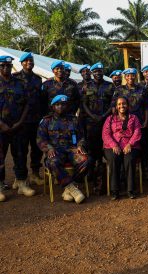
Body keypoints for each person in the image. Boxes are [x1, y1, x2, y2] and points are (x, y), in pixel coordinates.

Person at [37, 95, 89, 204]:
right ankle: (72, 188)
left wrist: (80, 145)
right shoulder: (46, 121)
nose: (61, 107)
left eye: (63, 105)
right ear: (53, 106)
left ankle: (68, 188)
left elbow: (81, 137)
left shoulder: (74, 120)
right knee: (53, 162)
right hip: (55, 151)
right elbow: (40, 139)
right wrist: (49, 148)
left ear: (67, 106)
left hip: (72, 150)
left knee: (86, 160)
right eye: (58, 104)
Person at [0, 55, 34, 201]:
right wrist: (1, 124)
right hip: (0, 128)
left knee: (20, 155)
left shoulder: (20, 83)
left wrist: (20, 122)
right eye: (2, 66)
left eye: (8, 65)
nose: (6, 68)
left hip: (18, 127)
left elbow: (27, 104)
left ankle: (21, 183)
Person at [81, 62, 114, 194]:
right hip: (91, 124)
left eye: (100, 71)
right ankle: (94, 182)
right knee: (93, 154)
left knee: (105, 153)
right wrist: (93, 116)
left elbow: (113, 104)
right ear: (92, 73)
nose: (98, 73)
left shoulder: (110, 86)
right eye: (96, 71)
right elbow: (84, 104)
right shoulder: (86, 86)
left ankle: (104, 184)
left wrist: (103, 116)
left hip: (106, 123)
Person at [12, 52, 44, 186]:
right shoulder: (15, 78)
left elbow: (41, 99)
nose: (29, 62)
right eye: (26, 61)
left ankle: (35, 174)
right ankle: (19, 177)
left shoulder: (38, 79)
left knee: (37, 148)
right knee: (21, 150)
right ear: (22, 63)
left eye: (31, 60)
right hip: (21, 121)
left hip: (36, 120)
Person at [102, 96, 142, 200]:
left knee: (129, 159)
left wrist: (130, 144)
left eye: (124, 103)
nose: (121, 106)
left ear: (128, 105)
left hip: (130, 145)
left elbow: (137, 132)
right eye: (119, 104)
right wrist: (114, 145)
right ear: (116, 106)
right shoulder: (110, 119)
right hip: (112, 146)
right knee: (114, 159)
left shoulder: (134, 118)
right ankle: (115, 191)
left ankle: (130, 190)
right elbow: (105, 134)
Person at [113, 68, 148, 175]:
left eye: (132, 75)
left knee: (143, 146)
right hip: (124, 123)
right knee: (125, 146)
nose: (130, 77)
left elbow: (146, 107)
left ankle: (143, 170)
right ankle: (124, 172)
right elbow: (114, 107)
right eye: (128, 75)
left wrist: (146, 121)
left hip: (140, 123)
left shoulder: (142, 89)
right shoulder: (119, 89)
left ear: (136, 76)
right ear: (125, 77)